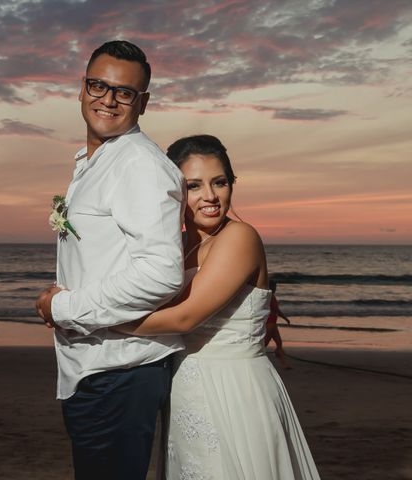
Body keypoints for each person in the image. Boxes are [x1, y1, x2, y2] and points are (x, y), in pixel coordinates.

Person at [114, 135, 320, 479]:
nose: (210, 196)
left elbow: (185, 317)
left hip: (235, 390)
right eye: (193, 185)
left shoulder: (240, 237)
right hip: (184, 390)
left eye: (219, 182)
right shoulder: (175, 247)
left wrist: (98, 322)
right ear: (173, 191)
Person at [35, 40, 186, 480]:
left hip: (120, 373)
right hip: (96, 371)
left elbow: (161, 273)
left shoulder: (139, 164)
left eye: (124, 92)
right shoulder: (94, 162)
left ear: (143, 103)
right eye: (98, 85)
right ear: (81, 88)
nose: (108, 99)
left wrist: (64, 308)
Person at [265, 279, 292, 369]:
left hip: (272, 323)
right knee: (264, 344)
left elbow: (276, 310)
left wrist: (285, 319)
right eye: (274, 286)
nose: (275, 288)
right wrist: (285, 318)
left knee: (279, 344)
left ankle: (283, 364)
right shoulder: (270, 296)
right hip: (270, 323)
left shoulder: (268, 296)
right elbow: (276, 310)